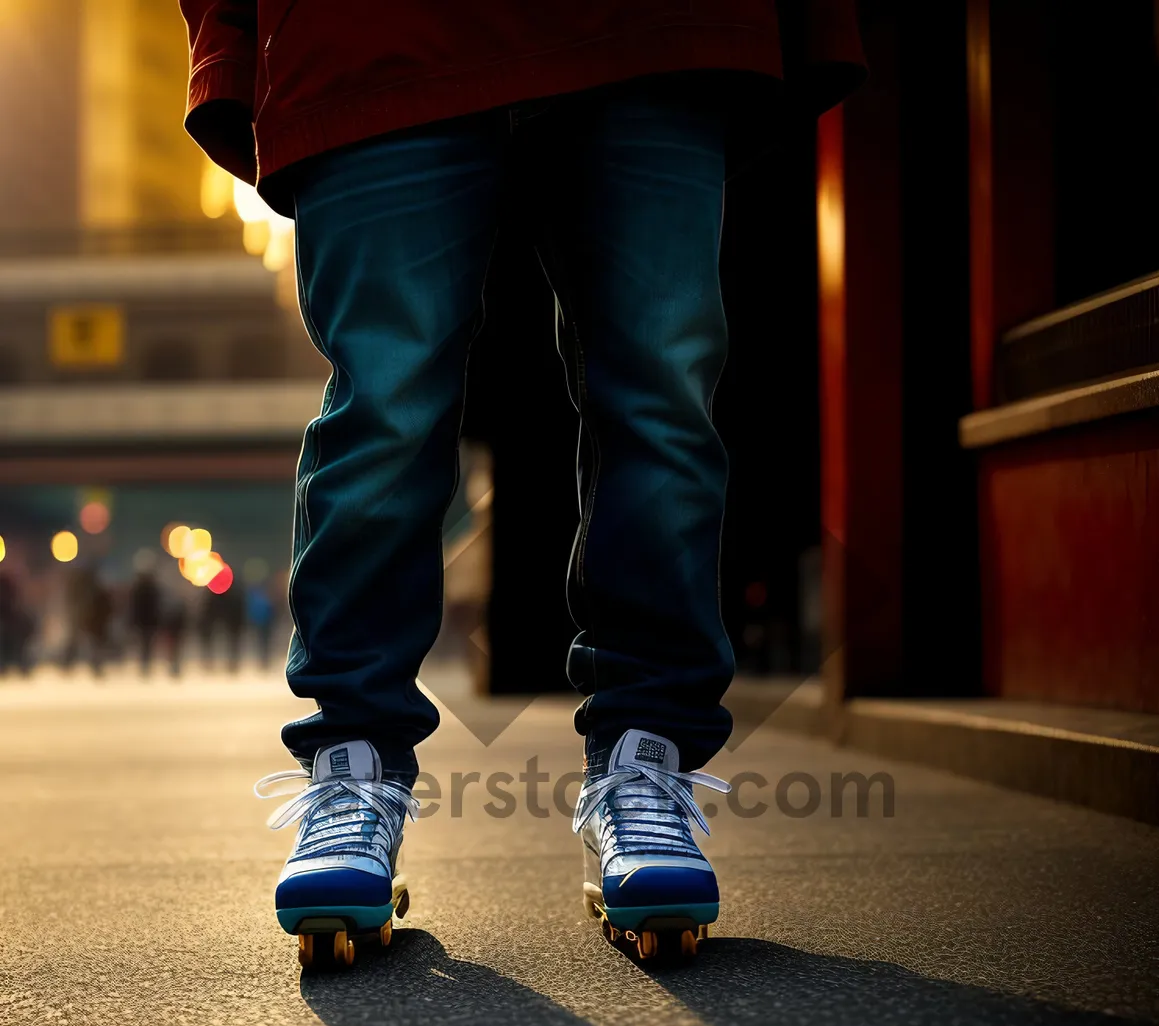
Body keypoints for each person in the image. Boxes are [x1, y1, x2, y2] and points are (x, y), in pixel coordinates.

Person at [179, 1, 864, 967]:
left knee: (659, 395)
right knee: (384, 407)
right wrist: (231, 44)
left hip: (650, 28)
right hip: (367, 31)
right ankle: (353, 771)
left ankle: (645, 763)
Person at [128, 568, 161, 677]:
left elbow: (134, 607)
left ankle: (145, 666)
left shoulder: (139, 589)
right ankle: (145, 666)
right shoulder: (151, 589)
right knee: (146, 645)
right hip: (147, 622)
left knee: (145, 645)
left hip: (145, 622)